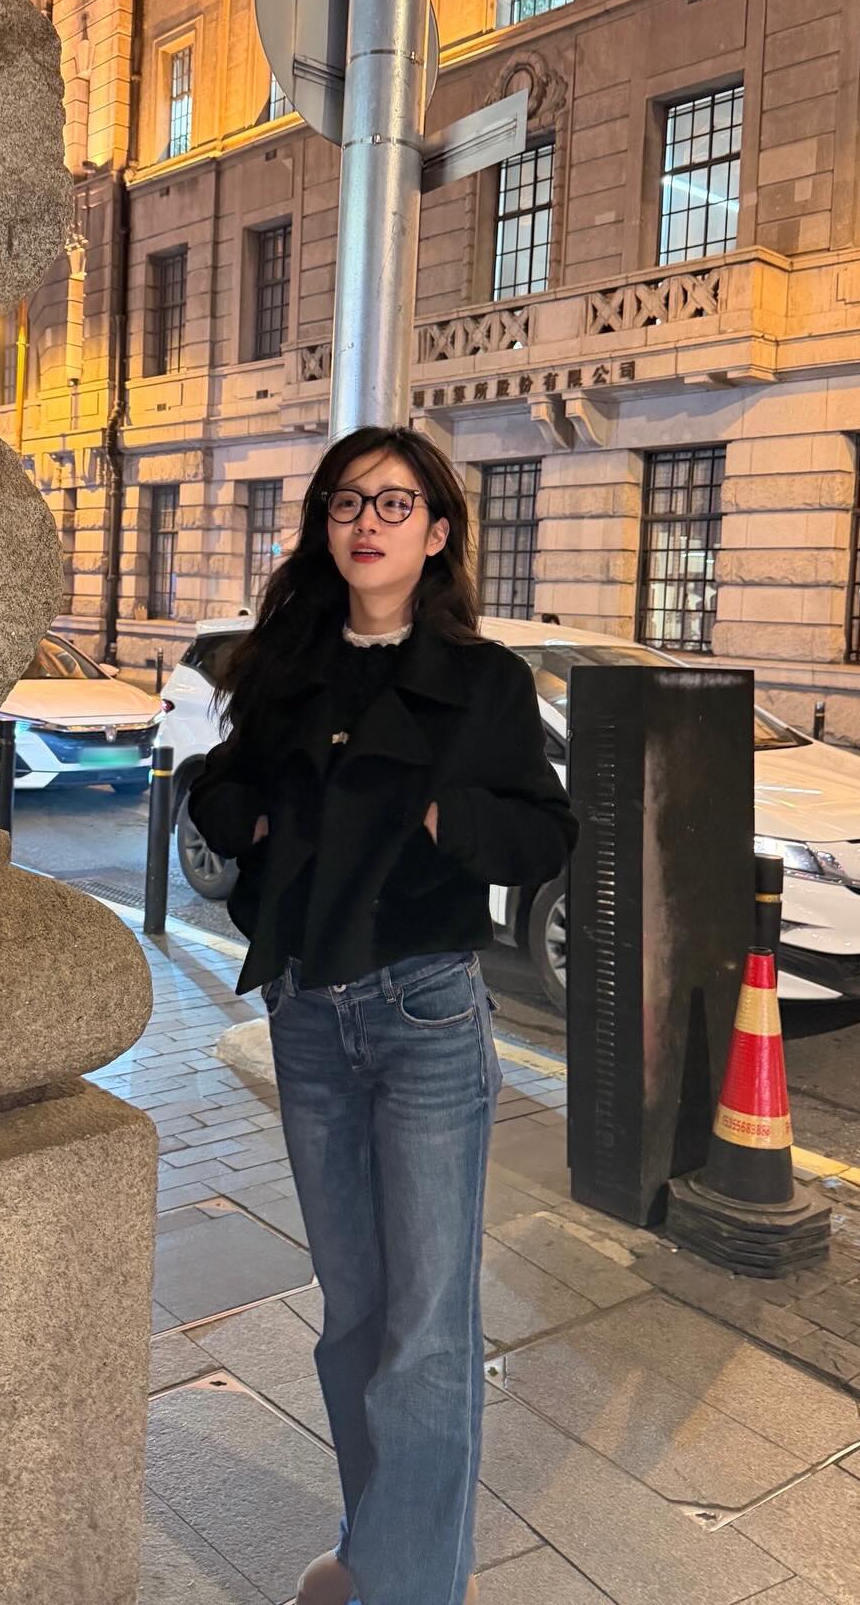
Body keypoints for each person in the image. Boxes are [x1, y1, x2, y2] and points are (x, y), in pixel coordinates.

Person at [187, 425, 577, 1605]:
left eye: (396, 504)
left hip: (423, 1017)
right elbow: (220, 785)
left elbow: (545, 833)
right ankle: (380, 1550)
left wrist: (443, 819)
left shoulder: (485, 680)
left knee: (426, 1330)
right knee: (354, 1317)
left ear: (438, 532)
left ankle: (409, 1588)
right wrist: (250, 818)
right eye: (348, 501)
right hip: (310, 1015)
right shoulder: (284, 665)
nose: (368, 522)